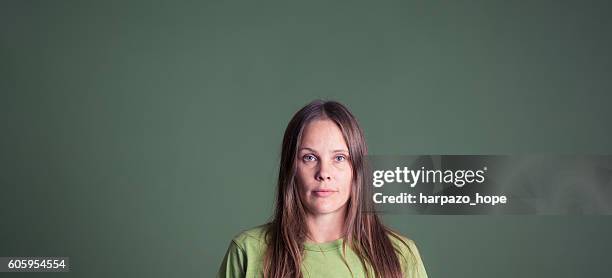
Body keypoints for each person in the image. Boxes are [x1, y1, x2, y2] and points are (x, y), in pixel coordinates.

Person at [217, 100, 428, 278]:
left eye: (339, 158)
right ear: (291, 168)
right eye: (309, 157)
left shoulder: (400, 254)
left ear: (357, 169)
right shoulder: (248, 251)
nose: (324, 172)